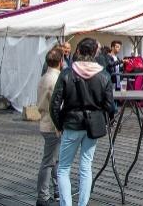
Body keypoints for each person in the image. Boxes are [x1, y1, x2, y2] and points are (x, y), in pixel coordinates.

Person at [50, 37, 114, 206]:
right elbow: (110, 106)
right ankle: (83, 204)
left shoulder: (67, 73)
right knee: (86, 167)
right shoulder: (104, 75)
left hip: (71, 124)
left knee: (64, 168)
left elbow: (54, 104)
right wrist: (108, 121)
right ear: (95, 53)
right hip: (92, 126)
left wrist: (59, 125)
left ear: (78, 51)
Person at [36, 47, 63, 206]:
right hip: (53, 125)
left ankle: (56, 190)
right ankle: (43, 197)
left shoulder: (44, 77)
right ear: (60, 62)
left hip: (45, 121)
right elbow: (57, 106)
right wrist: (59, 126)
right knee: (49, 162)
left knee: (54, 160)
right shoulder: (56, 79)